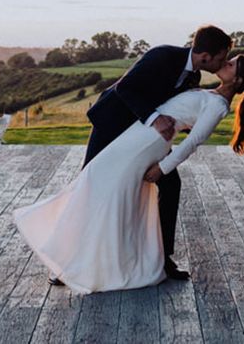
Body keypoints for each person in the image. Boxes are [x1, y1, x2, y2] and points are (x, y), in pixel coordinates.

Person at [12, 52, 244, 294]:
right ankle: (70, 257)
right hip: (130, 131)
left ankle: (89, 261)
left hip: (145, 144)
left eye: (231, 63)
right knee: (95, 184)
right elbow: (132, 89)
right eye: (226, 59)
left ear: (237, 81)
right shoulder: (189, 76)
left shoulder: (217, 105)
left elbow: (192, 142)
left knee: (108, 192)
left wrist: (162, 168)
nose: (225, 62)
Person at [80, 25, 232, 281]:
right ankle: (68, 262)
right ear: (206, 56)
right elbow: (125, 88)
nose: (224, 62)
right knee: (89, 185)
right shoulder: (162, 56)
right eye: (222, 57)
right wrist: (155, 119)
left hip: (143, 139)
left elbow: (175, 111)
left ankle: (162, 259)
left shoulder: (193, 79)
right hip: (113, 124)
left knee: (171, 184)